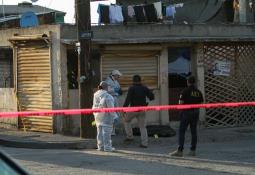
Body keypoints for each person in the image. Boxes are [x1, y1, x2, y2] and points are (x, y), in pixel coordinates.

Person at [171, 76, 204, 157]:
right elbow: (201, 103)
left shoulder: (185, 91)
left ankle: (180, 151)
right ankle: (193, 150)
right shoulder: (198, 92)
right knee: (193, 131)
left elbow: (180, 103)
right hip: (195, 112)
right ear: (194, 82)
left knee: (182, 131)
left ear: (188, 82)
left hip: (186, 113)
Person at [123, 75, 155, 148]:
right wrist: (150, 92)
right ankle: (144, 143)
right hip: (142, 109)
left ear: (133, 81)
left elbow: (128, 99)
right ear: (140, 81)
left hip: (133, 109)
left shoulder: (132, 88)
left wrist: (124, 109)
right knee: (143, 127)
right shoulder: (144, 88)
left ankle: (130, 137)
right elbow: (152, 97)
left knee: (126, 121)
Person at [92, 81, 118, 152]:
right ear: (106, 87)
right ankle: (107, 147)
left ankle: (100, 146)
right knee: (106, 133)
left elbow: (94, 106)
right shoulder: (108, 96)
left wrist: (95, 115)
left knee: (99, 133)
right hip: (107, 117)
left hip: (98, 117)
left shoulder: (95, 95)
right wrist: (115, 117)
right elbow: (111, 109)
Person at [105, 69, 123, 136]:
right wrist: (115, 90)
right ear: (114, 75)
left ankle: (113, 130)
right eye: (118, 76)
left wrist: (119, 90)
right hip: (110, 98)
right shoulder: (107, 81)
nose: (118, 77)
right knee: (111, 114)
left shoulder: (115, 81)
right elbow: (107, 90)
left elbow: (118, 88)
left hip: (115, 98)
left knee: (116, 114)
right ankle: (110, 131)